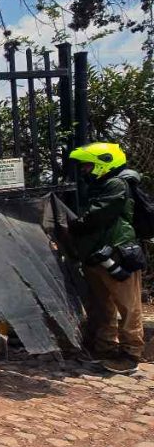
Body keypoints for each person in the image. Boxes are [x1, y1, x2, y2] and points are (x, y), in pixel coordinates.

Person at [67, 142, 146, 374]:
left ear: (103, 163)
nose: (84, 171)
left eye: (88, 166)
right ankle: (105, 349)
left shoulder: (116, 185)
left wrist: (75, 224)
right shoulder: (99, 186)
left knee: (128, 307)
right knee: (102, 306)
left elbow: (97, 215)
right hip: (97, 256)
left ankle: (131, 354)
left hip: (118, 254)